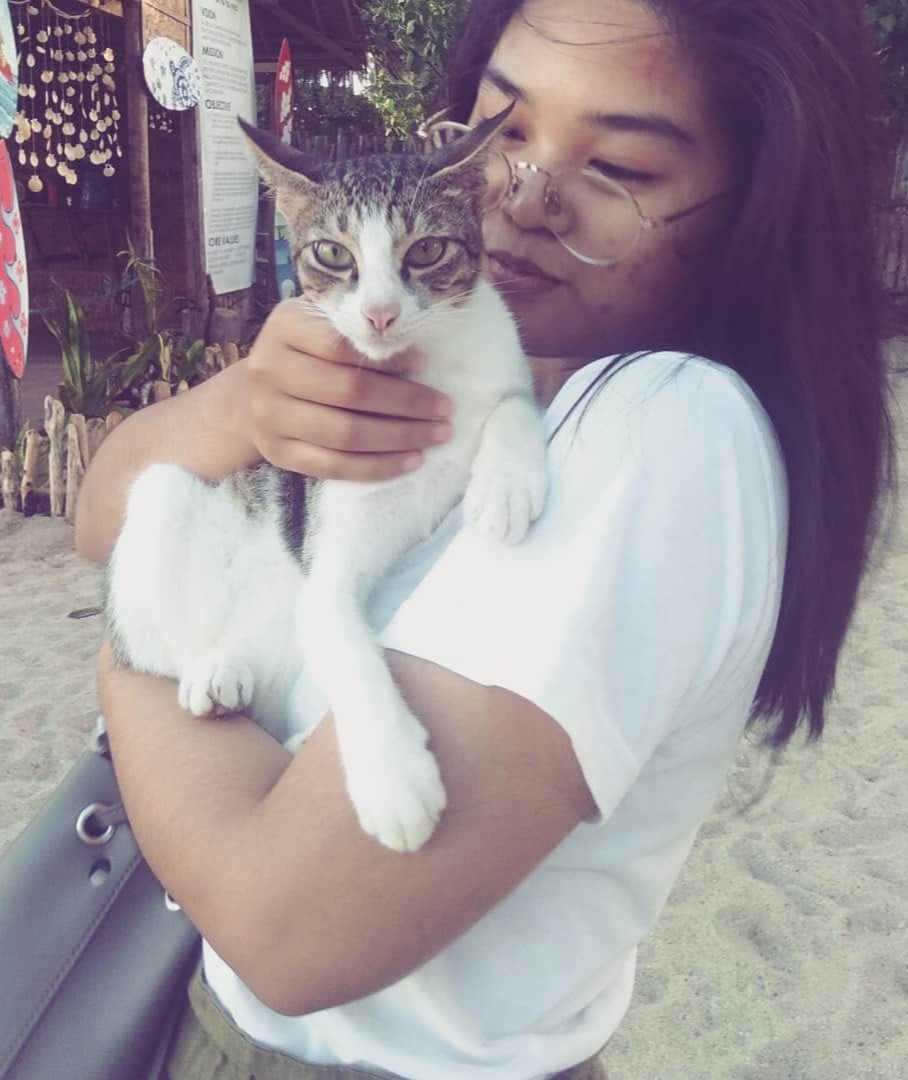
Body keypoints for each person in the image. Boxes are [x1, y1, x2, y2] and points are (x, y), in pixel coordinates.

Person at [76, 0, 893, 1076]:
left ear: (753, 208)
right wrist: (237, 412)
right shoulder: (488, 365)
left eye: (622, 170)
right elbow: (101, 511)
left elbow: (283, 933)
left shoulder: (664, 431)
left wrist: (125, 659)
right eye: (505, 132)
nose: (523, 195)